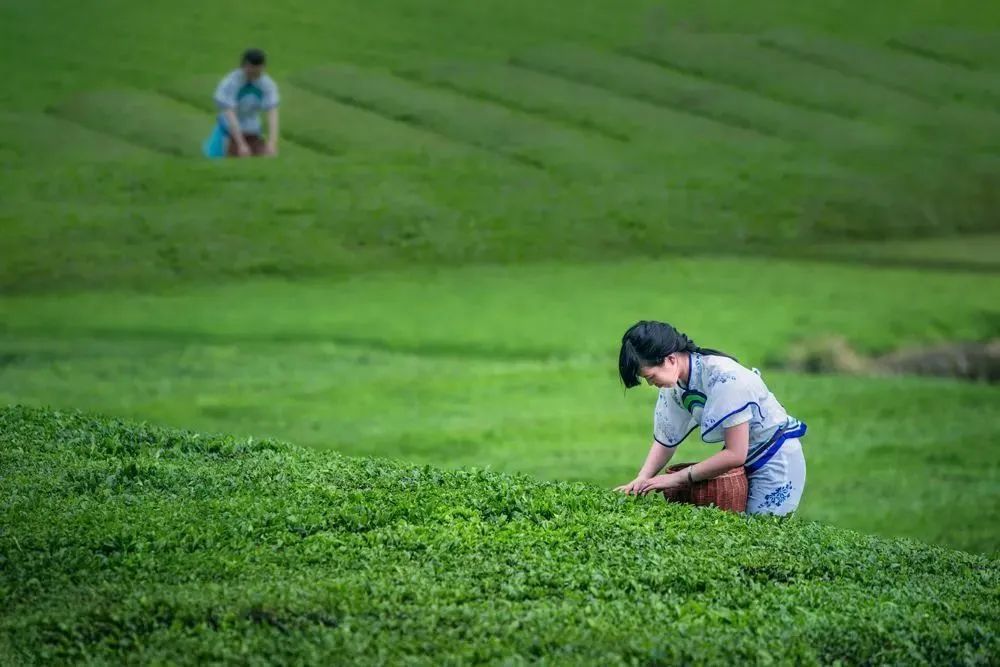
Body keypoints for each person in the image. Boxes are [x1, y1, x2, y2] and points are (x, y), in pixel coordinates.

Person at [613, 321, 807, 516]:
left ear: (670, 359)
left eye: (650, 376)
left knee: (762, 536)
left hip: (776, 460)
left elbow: (735, 454)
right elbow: (666, 437)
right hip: (743, 464)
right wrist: (642, 479)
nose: (650, 383)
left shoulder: (726, 378)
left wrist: (677, 478)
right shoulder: (676, 384)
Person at [203, 48, 280, 158]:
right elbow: (230, 113)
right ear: (244, 67)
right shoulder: (230, 82)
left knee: (264, 158)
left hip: (252, 128)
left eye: (258, 72)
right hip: (229, 129)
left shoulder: (267, 84)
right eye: (251, 72)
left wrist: (272, 142)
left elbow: (272, 111)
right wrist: (241, 144)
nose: (254, 77)